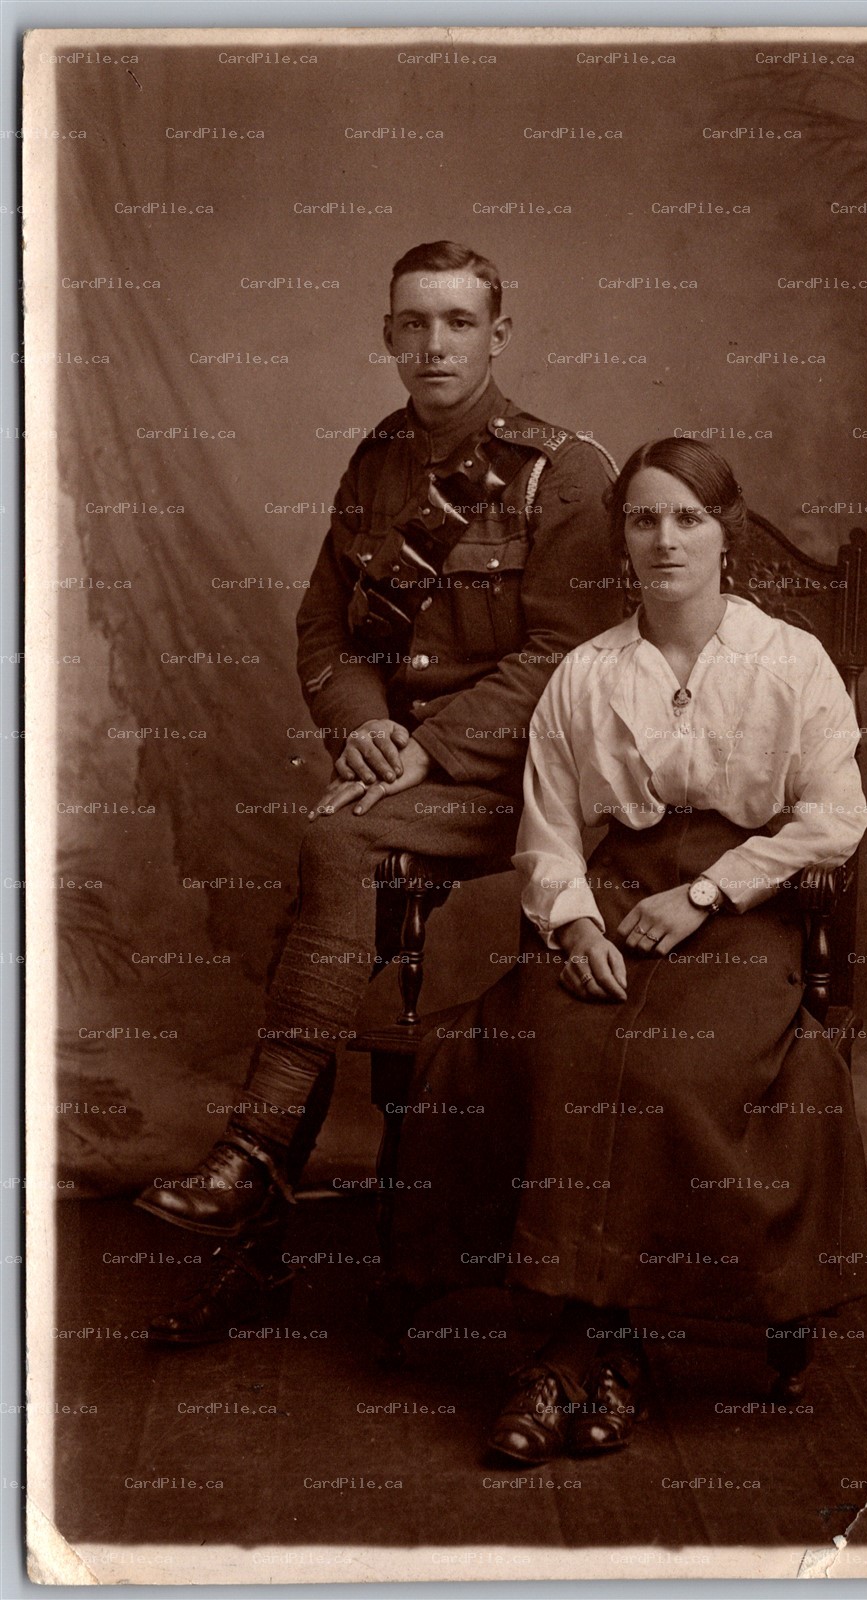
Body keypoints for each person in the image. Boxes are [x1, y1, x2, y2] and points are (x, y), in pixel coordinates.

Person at [135, 240, 622, 1340]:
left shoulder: (565, 470)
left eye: (457, 322)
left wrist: (430, 747)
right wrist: (362, 730)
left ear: (500, 333)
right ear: (386, 333)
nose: (433, 345)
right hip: (400, 773)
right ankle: (257, 1237)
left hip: (528, 781)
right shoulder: (377, 461)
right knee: (318, 894)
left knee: (333, 849)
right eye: (412, 323)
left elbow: (569, 651)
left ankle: (254, 1159)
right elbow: (325, 626)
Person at [386, 436, 867, 1463]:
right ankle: (605, 1354)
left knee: (664, 1063)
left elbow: (833, 821)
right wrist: (570, 923)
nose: (666, 539)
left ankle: (568, 1355)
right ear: (621, 537)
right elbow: (549, 831)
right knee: (559, 1046)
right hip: (610, 897)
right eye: (645, 519)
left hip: (743, 911)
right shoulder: (586, 671)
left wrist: (706, 892)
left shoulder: (791, 662)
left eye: (688, 518)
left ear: (724, 533)